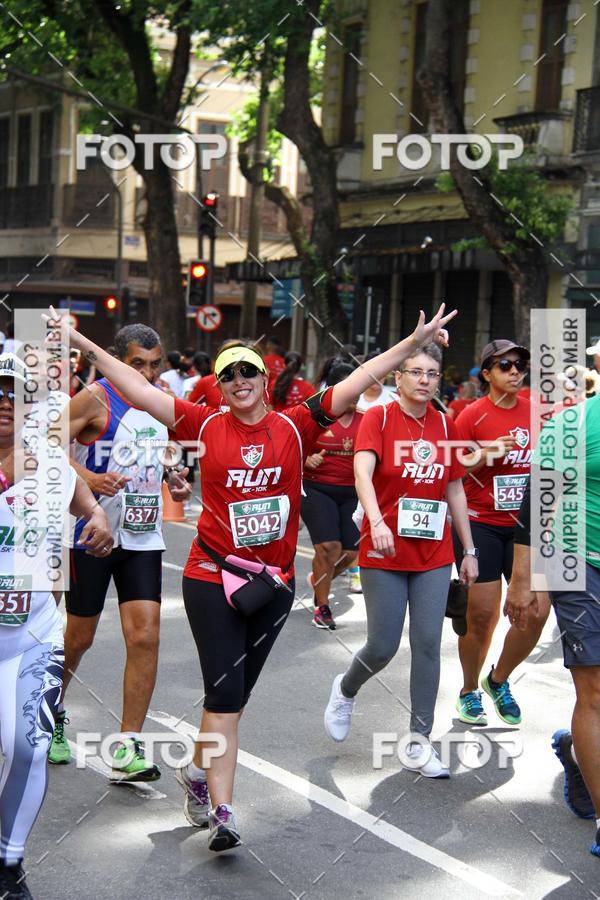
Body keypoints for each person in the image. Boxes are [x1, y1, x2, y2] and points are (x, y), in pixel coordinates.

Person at [56, 301, 457, 851]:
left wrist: (412, 346)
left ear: (265, 380)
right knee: (222, 698)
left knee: (234, 699)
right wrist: (86, 347)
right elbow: (134, 386)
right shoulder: (201, 422)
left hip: (272, 585)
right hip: (210, 575)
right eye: (229, 375)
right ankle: (223, 810)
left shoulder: (296, 425)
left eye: (248, 371)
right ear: (218, 386)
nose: (239, 381)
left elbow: (363, 377)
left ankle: (197, 774)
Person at [324, 342, 478, 778]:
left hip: (433, 551)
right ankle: (346, 688)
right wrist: (376, 522)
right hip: (384, 547)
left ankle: (418, 742)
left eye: (432, 373)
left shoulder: (444, 424)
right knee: (384, 645)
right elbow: (362, 473)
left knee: (428, 644)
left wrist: (469, 550)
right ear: (399, 377)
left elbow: (454, 489)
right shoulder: (379, 417)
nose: (425, 380)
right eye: (416, 372)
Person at [48, 324, 191, 782]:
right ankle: (51, 709)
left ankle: (128, 745)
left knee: (146, 637)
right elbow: (45, 446)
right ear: (115, 360)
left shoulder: (158, 398)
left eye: (155, 364)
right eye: (137, 364)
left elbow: (159, 446)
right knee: (80, 637)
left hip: (143, 537)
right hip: (92, 535)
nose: (148, 372)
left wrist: (173, 475)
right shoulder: (95, 397)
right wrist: (87, 481)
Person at [0, 352, 113, 900]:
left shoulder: (47, 459)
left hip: (33, 636)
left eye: (9, 392)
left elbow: (87, 506)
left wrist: (96, 521)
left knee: (30, 745)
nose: (1, 401)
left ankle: (7, 861)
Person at [504, 411, 600, 858]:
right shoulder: (573, 425)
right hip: (577, 559)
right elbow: (536, 503)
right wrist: (524, 578)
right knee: (595, 689)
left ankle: (578, 754)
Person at [453, 340, 549, 727]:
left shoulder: (539, 412)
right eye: (504, 365)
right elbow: (451, 470)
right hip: (481, 522)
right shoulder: (470, 416)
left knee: (537, 610)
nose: (514, 371)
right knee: (482, 615)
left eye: (520, 365)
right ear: (486, 374)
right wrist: (484, 453)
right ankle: (467, 690)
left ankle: (498, 679)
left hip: (527, 526)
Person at [301, 363, 362, 630]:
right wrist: (305, 458)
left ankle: (319, 578)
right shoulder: (314, 414)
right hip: (316, 488)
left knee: (350, 554)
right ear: (336, 390)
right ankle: (322, 607)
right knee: (329, 548)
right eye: (351, 391)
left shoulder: (368, 419)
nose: (356, 396)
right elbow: (287, 445)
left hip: (353, 492)